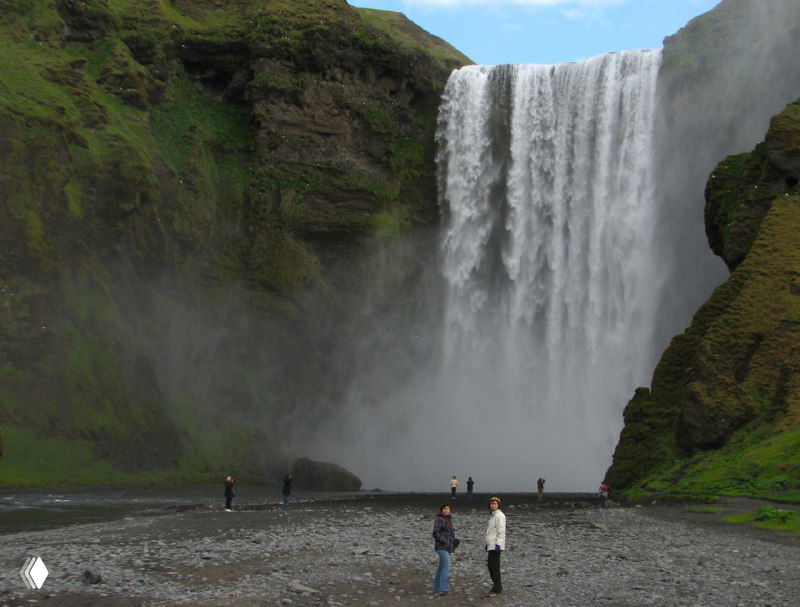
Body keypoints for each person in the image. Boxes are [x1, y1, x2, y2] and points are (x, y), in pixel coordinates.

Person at [432, 503, 460, 596]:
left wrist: (454, 542)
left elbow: (449, 534)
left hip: (447, 547)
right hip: (441, 546)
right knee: (446, 566)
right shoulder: (439, 519)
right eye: (444, 509)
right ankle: (444, 589)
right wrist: (446, 541)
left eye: (447, 509)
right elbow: (435, 533)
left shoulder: (449, 520)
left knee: (441, 568)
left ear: (450, 511)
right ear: (441, 510)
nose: (446, 510)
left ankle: (436, 589)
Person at [484, 496, 506, 596]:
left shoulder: (499, 516)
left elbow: (501, 531)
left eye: (495, 503)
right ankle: (497, 586)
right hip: (491, 545)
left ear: (498, 505)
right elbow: (490, 532)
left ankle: (498, 587)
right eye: (492, 503)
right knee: (491, 566)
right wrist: (487, 544)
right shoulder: (493, 515)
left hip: (496, 546)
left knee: (494, 567)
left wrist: (498, 545)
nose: (493, 505)